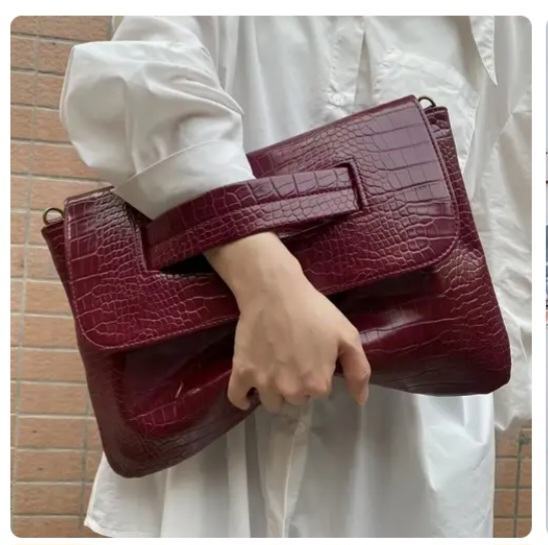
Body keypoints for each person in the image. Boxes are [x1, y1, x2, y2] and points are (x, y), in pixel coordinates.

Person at [60, 16, 531, 537]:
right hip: (206, 432)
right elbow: (137, 78)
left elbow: (509, 206)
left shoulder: (508, 24)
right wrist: (266, 281)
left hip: (407, 433)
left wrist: (493, 388)